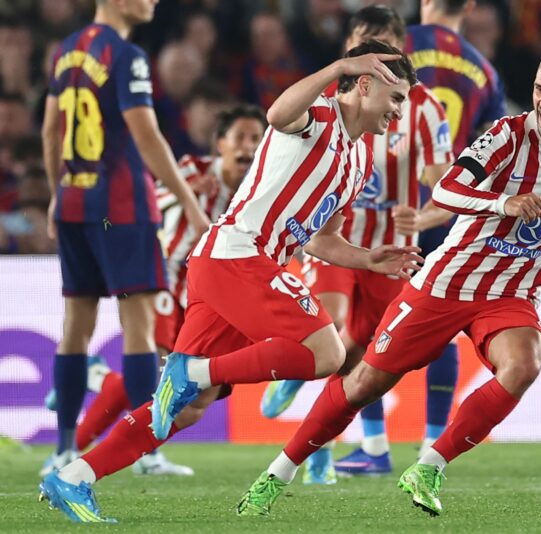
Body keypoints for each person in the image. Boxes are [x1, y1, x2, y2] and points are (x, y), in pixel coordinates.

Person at [235, 47, 541, 518]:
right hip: (446, 284)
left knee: (524, 364)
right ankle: (279, 472)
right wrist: (503, 203)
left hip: (511, 295)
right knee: (364, 385)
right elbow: (447, 188)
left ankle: (430, 465)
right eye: (540, 89)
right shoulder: (505, 136)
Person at [40, 39, 421, 523]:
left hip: (241, 268)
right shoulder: (318, 114)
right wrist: (340, 65)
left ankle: (74, 477)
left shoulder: (360, 161)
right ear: (364, 84)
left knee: (188, 409)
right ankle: (192, 372)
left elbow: (323, 241)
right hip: (238, 255)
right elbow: (278, 114)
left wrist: (368, 260)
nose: (399, 113)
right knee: (327, 354)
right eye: (396, 98)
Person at [258, 5, 454, 484]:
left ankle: (321, 440)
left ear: (402, 47)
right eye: (365, 41)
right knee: (333, 324)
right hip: (333, 239)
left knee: (360, 351)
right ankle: (321, 419)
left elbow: (443, 189)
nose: (375, 51)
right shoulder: (329, 96)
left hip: (389, 252)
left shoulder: (423, 107)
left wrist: (424, 215)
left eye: (384, 41)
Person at [41, 105, 268, 476]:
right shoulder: (194, 169)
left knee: (185, 391)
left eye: (256, 139)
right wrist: (186, 193)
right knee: (156, 379)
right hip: (166, 276)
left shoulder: (258, 188)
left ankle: (97, 381)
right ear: (221, 144)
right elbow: (147, 204)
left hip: (209, 299)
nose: (248, 146)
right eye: (240, 137)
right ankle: (95, 454)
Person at [334, 0, 509, 475]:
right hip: (443, 208)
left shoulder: (401, 44)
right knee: (443, 331)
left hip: (383, 210)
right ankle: (433, 443)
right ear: (469, 6)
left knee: (366, 333)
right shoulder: (484, 70)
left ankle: (373, 446)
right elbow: (494, 144)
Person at [38, 0, 210, 478]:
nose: (153, 0)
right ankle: (146, 451)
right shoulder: (127, 55)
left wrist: (57, 192)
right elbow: (148, 137)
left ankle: (64, 449)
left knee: (76, 324)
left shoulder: (65, 51)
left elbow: (52, 131)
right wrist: (192, 207)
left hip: (74, 201)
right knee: (139, 327)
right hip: (120, 208)